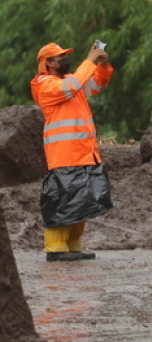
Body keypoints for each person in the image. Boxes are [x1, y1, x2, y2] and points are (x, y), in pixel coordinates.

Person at [30, 42, 115, 262]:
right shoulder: (44, 84)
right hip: (64, 153)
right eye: (60, 57)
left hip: (84, 151)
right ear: (47, 63)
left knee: (81, 199)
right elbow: (75, 85)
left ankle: (73, 246)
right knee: (62, 198)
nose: (64, 60)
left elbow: (95, 85)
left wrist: (102, 66)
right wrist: (89, 60)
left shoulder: (69, 81)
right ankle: (56, 248)